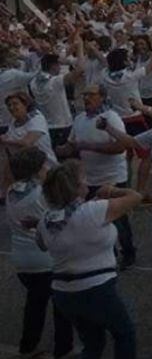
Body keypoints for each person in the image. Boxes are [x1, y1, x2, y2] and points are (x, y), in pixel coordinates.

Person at [39, 160, 142, 359]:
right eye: (83, 180)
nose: (88, 183)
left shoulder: (47, 219)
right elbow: (136, 197)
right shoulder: (94, 211)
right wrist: (111, 190)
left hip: (63, 291)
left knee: (93, 343)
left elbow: (42, 244)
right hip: (96, 288)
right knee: (124, 333)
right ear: (74, 188)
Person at [59, 84, 137, 269]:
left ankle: (129, 252)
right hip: (89, 180)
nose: (86, 98)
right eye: (84, 94)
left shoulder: (111, 118)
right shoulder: (79, 119)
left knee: (118, 219)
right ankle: (108, 253)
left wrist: (87, 146)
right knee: (94, 220)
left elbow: (121, 147)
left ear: (102, 97)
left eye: (91, 95)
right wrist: (60, 149)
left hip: (112, 178)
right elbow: (71, 144)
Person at [6, 149, 74, 359]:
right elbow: (62, 219)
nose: (48, 168)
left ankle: (28, 346)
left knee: (35, 303)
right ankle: (64, 347)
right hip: (45, 258)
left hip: (21, 257)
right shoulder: (42, 194)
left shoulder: (12, 191)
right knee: (62, 303)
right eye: (45, 165)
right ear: (35, 171)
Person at [1, 92, 59, 168]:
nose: (11, 108)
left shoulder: (36, 118)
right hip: (26, 167)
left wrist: (5, 141)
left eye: (15, 104)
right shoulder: (13, 122)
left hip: (46, 166)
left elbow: (27, 143)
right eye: (9, 105)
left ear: (25, 104)